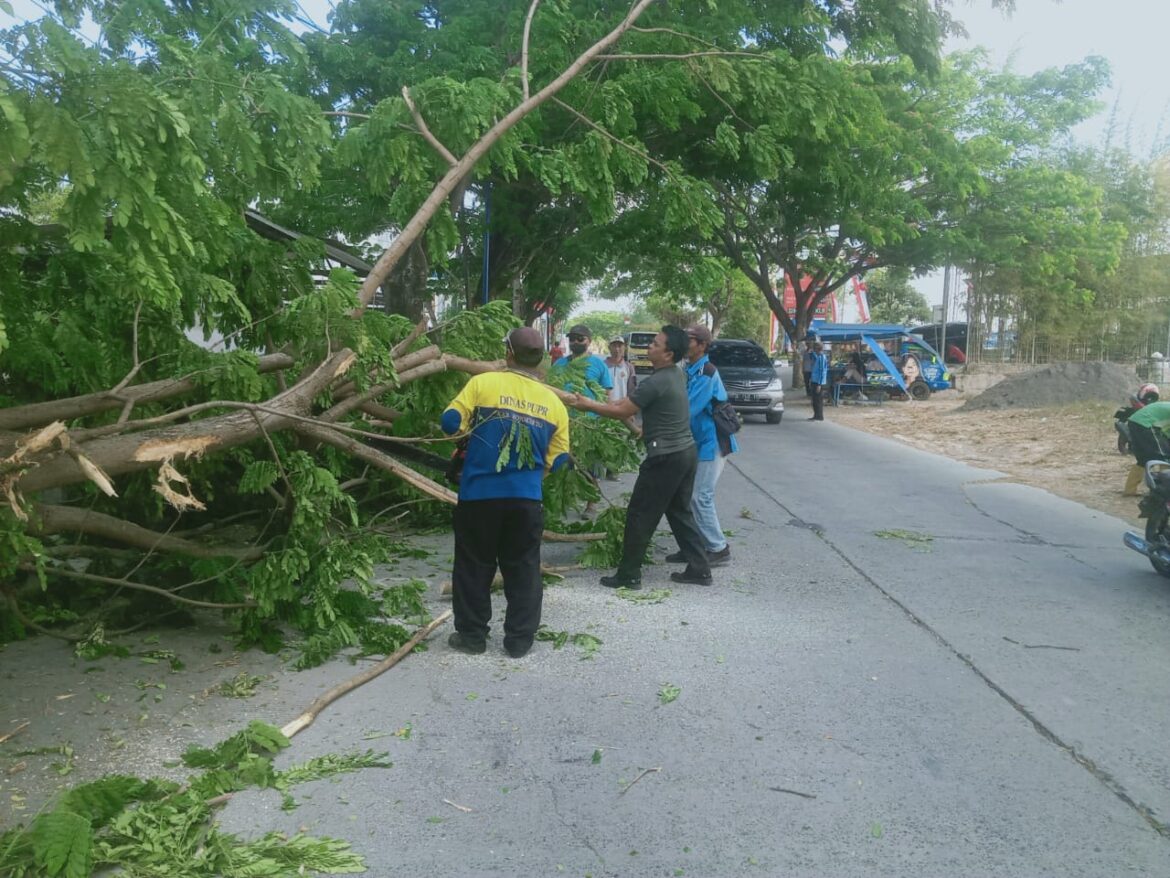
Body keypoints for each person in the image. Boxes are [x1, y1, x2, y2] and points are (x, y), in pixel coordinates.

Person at [440, 327, 571, 658]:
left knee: (474, 565)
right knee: (523, 567)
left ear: (509, 354)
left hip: (479, 496)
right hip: (526, 499)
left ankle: (472, 637)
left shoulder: (483, 383)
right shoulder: (554, 404)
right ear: (540, 359)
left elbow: (450, 421)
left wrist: (465, 434)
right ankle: (519, 640)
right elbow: (560, 462)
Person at [568, 325, 713, 588]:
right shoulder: (676, 374)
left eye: (656, 344)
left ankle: (629, 575)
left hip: (666, 457)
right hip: (685, 453)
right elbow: (658, 409)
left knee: (640, 515)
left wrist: (586, 404)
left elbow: (622, 409)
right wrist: (640, 427)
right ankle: (700, 568)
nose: (650, 347)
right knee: (679, 512)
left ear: (668, 354)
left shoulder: (657, 381)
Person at [662, 325, 736, 567]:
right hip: (696, 442)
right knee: (686, 496)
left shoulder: (706, 372)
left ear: (702, 345)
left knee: (700, 496)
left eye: (689, 340)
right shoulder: (690, 369)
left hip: (711, 443)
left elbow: (688, 408)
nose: (685, 343)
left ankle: (718, 547)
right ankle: (693, 546)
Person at [551, 323, 613, 405]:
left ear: (589, 341)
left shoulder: (599, 365)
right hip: (562, 415)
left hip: (591, 416)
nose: (576, 341)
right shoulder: (559, 363)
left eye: (580, 339)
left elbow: (607, 396)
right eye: (572, 339)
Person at [1124, 400, 1170, 495]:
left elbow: (1166, 433)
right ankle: (1163, 490)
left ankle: (1130, 490)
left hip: (1134, 421)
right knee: (1163, 457)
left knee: (1143, 459)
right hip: (1146, 423)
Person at [808, 341, 828, 421]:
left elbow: (822, 371)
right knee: (814, 399)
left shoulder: (822, 357)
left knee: (818, 399)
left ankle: (819, 415)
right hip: (814, 380)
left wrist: (819, 384)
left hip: (818, 382)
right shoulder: (818, 357)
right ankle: (816, 414)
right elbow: (814, 357)